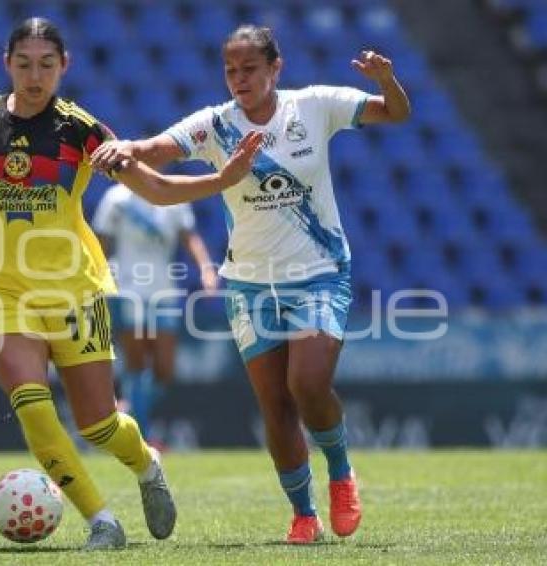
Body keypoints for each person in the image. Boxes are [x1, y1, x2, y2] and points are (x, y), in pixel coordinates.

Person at [0, 18, 261, 550]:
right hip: (2, 290)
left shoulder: (82, 132)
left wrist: (221, 180)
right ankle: (101, 520)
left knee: (99, 424)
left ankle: (147, 466)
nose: (35, 76)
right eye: (25, 64)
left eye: (47, 65)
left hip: (75, 290)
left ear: (65, 67)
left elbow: (155, 190)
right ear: (6, 63)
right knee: (32, 405)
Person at [91, 25, 410, 543]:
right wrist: (123, 148)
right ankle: (303, 514)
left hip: (320, 272)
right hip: (250, 284)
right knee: (275, 406)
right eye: (230, 70)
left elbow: (396, 112)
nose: (239, 79)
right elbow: (154, 149)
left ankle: (342, 471)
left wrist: (389, 80)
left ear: (275, 67)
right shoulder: (215, 125)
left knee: (307, 385)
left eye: (250, 69)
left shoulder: (315, 106)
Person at [92, 183, 217, 443]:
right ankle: (141, 436)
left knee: (164, 368)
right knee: (136, 363)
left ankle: (127, 410)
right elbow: (100, 242)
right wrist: (92, 279)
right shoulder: (117, 199)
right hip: (128, 288)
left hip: (164, 290)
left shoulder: (174, 196)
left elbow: (189, 236)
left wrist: (206, 269)